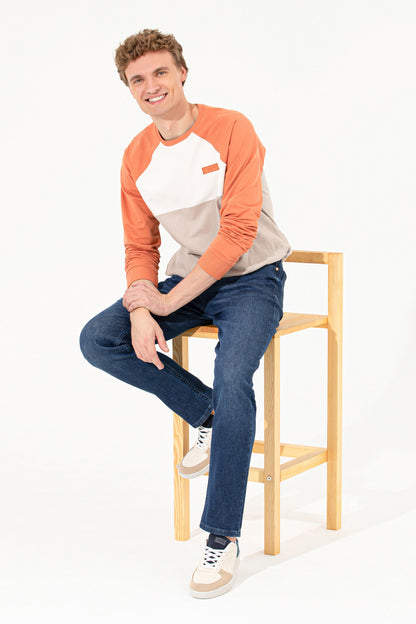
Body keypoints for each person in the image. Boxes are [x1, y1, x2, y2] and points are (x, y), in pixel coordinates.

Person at [80, 28, 291, 599]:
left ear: (182, 73)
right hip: (187, 279)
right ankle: (207, 413)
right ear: (129, 88)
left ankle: (222, 536)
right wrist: (140, 305)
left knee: (233, 376)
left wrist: (167, 303)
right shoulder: (136, 157)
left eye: (160, 72)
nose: (151, 86)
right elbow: (139, 246)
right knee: (100, 339)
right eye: (137, 79)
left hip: (252, 279)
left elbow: (239, 232)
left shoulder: (232, 128)